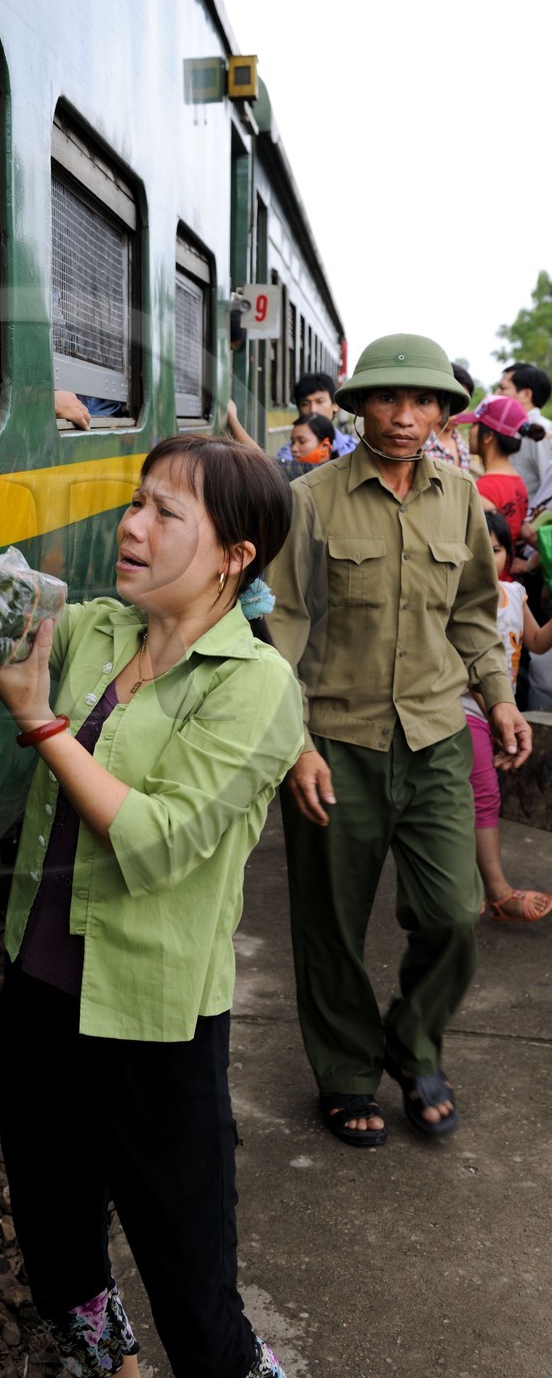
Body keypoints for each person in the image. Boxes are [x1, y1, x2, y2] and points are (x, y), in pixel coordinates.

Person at [0, 356, 303, 1378]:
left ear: (233, 555)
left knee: (192, 1295)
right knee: (62, 1260)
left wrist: (39, 718)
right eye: (135, 503)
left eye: (163, 514)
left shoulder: (258, 687)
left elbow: (159, 840)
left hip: (153, 1022)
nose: (130, 527)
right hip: (42, 998)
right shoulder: (91, 627)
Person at [266, 334, 531, 1147]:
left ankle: (414, 1046)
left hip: (436, 735)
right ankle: (347, 1072)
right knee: (331, 925)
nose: (407, 417)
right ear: (358, 408)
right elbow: (278, 626)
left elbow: (473, 616)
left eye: (425, 403)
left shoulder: (457, 500)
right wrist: (294, 744)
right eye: (389, 399)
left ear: (446, 413)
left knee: (453, 914)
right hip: (334, 740)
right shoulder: (310, 500)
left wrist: (499, 696)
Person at [464, 512, 552, 923]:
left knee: (472, 797)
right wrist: (495, 710)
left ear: (507, 553)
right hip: (468, 710)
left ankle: (470, 885)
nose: (488, 555)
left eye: (496, 548)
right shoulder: (459, 596)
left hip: (501, 712)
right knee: (483, 796)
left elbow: (535, 641)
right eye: (478, 546)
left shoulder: (516, 593)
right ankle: (495, 891)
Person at [454, 394, 546, 544]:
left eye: (475, 425)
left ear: (488, 436)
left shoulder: (483, 489)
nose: (470, 430)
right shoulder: (518, 482)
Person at [495, 362, 552, 498]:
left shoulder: (542, 434)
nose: (496, 394)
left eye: (502, 388)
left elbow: (548, 489)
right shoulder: (512, 429)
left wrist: (534, 519)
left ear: (526, 394)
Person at [274, 372, 356, 463]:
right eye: (305, 404)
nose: (313, 410)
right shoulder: (287, 455)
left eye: (319, 402)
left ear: (335, 405)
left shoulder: (354, 449)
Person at [423, 361, 473, 472]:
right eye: (452, 402)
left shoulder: (464, 448)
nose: (460, 411)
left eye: (463, 402)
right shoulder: (419, 446)